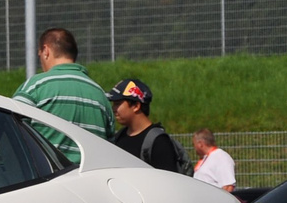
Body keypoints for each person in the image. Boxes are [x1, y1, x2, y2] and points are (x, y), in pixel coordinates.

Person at [11, 27, 114, 161]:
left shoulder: (36, 86)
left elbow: (12, 131)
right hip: (93, 178)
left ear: (46, 51)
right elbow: (111, 147)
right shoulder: (101, 95)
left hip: (49, 178)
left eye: (39, 54)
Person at [107, 78, 182, 172]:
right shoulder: (119, 137)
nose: (113, 108)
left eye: (117, 104)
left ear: (136, 106)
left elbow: (169, 182)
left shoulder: (159, 142)